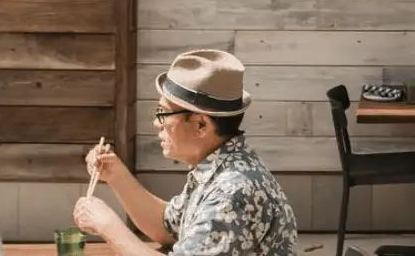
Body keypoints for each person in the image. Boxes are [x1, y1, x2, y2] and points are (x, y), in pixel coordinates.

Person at [73, 49, 297, 256]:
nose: (156, 123)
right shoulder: (221, 166)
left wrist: (107, 225)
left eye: (163, 113)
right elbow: (166, 227)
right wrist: (116, 176)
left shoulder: (232, 191)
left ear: (201, 125)